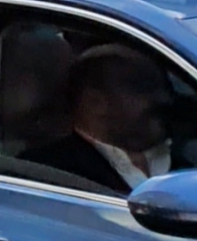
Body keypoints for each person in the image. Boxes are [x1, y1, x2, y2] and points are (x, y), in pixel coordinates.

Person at [25, 44, 174, 195]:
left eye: (165, 88)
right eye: (143, 88)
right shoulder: (47, 172)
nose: (163, 99)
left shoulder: (186, 158)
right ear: (95, 102)